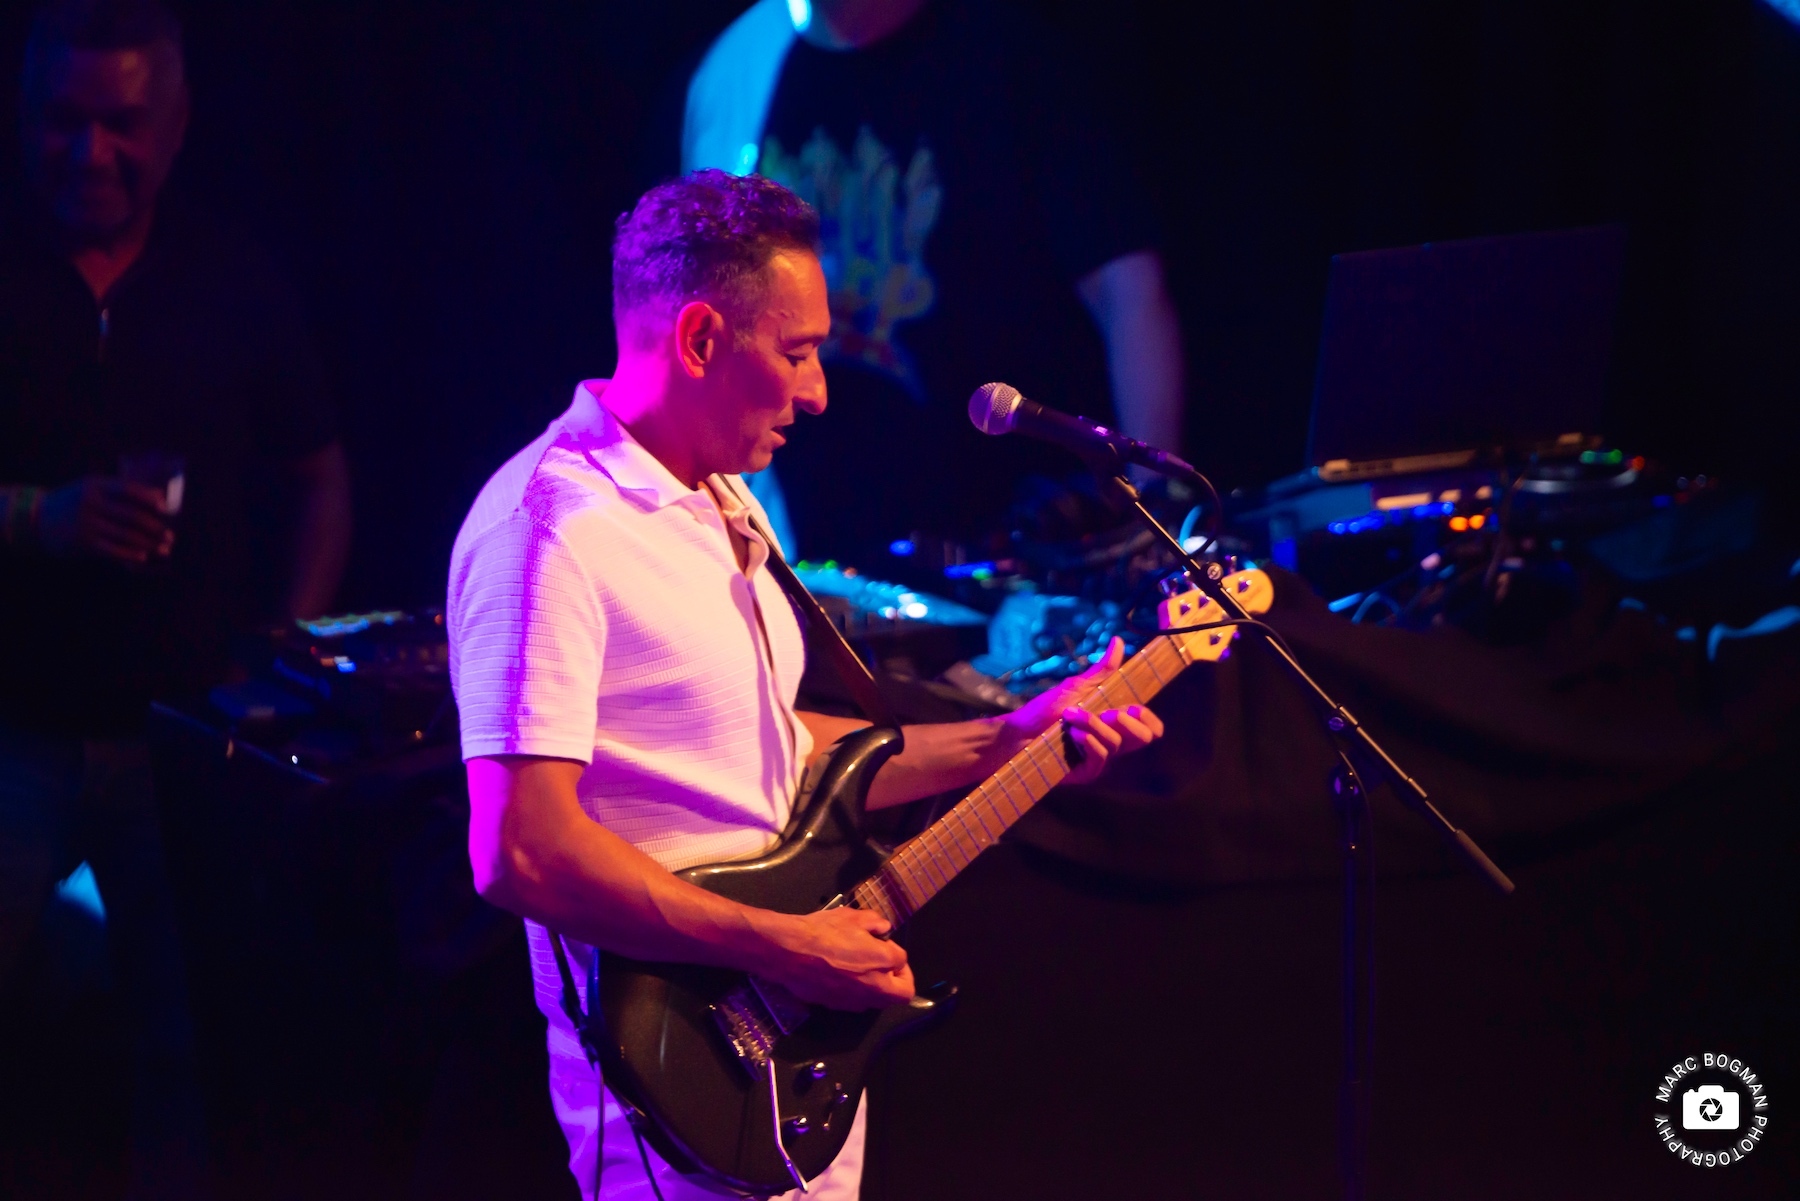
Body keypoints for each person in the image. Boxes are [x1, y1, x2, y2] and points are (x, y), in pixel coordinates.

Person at [448, 170, 1164, 1199]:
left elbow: (771, 749)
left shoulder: (721, 499)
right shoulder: (550, 530)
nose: (821, 390)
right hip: (671, 1089)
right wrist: (784, 945)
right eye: (797, 352)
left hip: (780, 1052)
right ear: (701, 339)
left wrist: (1010, 738)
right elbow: (519, 848)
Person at [0, 0, 349, 1193]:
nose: (88, 151)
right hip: (15, 736)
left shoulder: (230, 275)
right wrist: (38, 517)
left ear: (180, 121)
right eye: (61, 120)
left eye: (121, 123)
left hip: (185, 742)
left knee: (186, 1051)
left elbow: (321, 474)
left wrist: (289, 647)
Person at [677, 0, 1186, 562]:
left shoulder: (1008, 55)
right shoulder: (735, 69)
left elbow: (1127, 290)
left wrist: (1155, 507)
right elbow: (692, 306)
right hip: (796, 548)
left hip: (1004, 550)